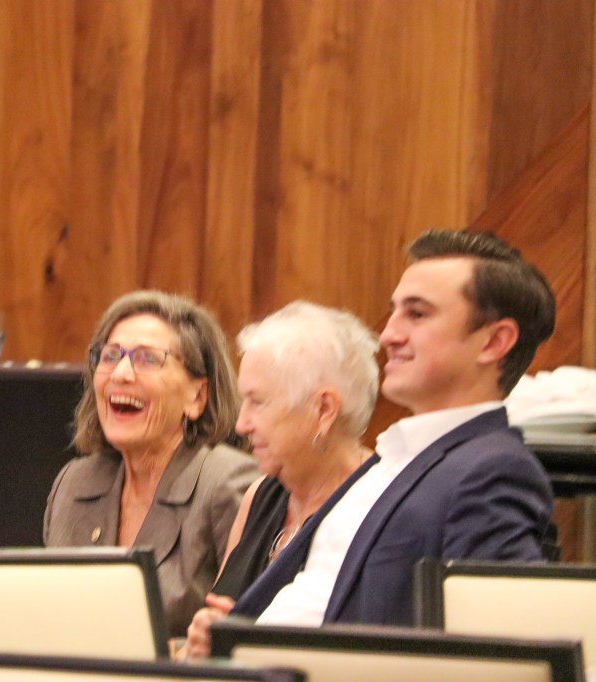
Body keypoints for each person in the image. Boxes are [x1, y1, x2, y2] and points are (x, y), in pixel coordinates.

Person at [186, 229, 557, 654]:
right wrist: (238, 635)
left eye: (417, 314)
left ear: (493, 342)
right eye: (395, 312)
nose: (388, 335)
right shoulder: (391, 463)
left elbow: (496, 655)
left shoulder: (491, 470)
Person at [43, 290, 259, 637]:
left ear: (197, 397)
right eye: (110, 356)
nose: (121, 373)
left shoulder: (227, 484)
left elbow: (243, 633)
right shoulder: (75, 483)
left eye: (147, 359)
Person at [184, 301, 380, 658]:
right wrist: (203, 639)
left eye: (257, 402)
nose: (241, 424)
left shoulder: (379, 505)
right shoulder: (260, 495)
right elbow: (218, 630)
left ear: (324, 409)